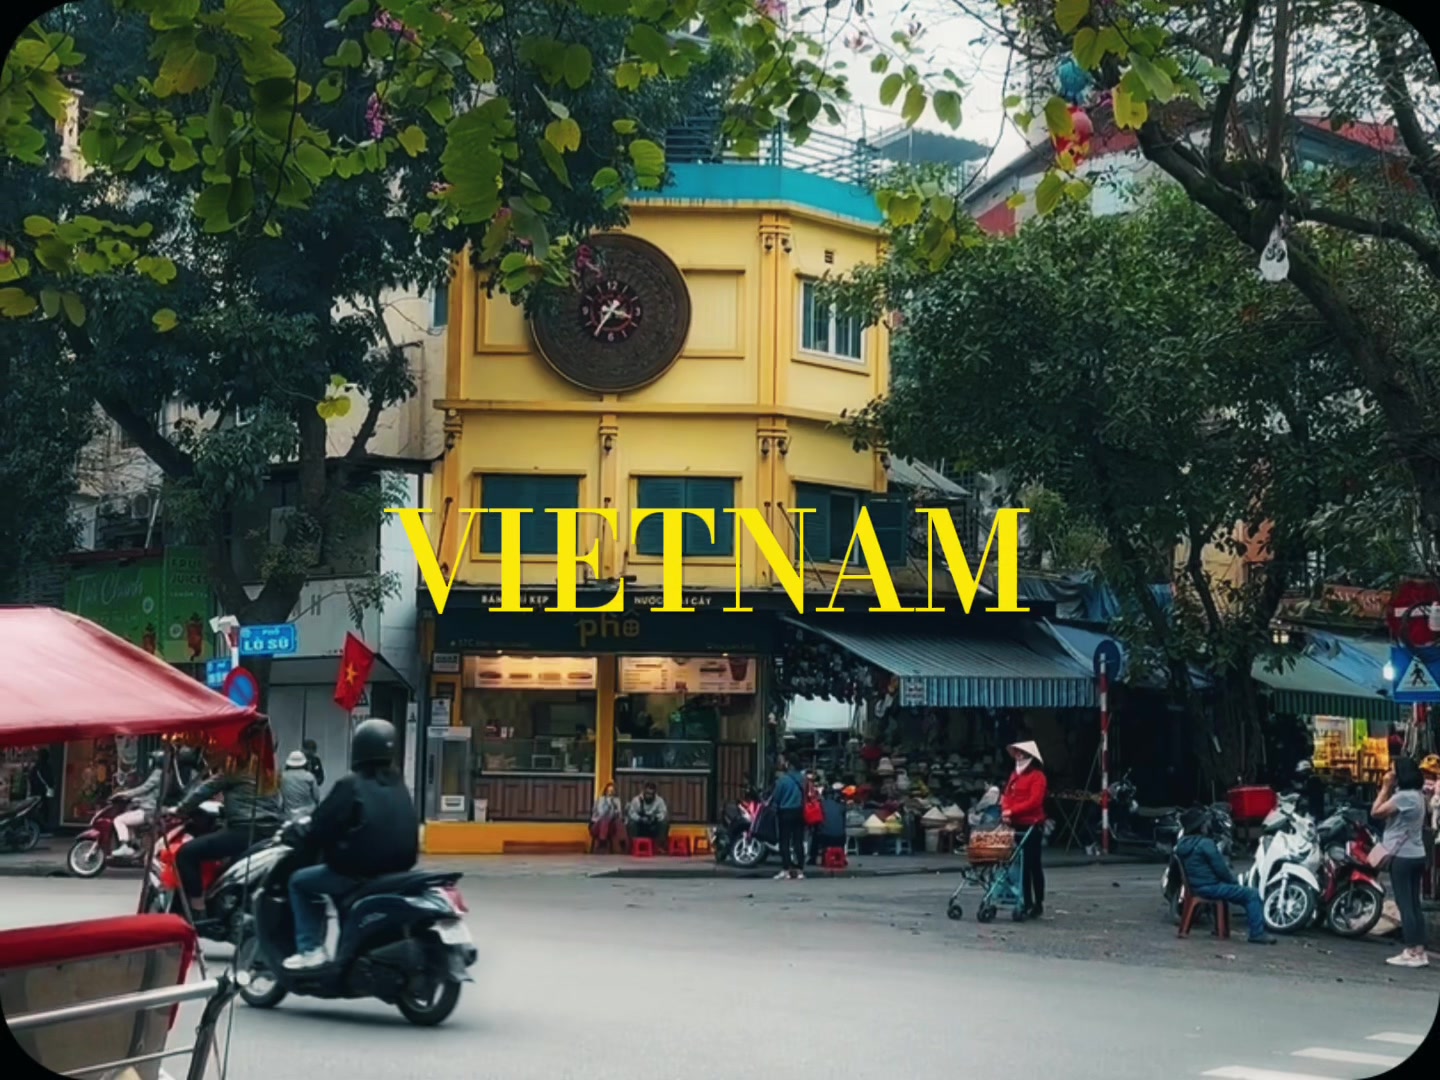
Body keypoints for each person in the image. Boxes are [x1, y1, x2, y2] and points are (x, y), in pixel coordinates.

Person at [283, 718, 419, 971]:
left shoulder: (351, 785)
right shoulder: (399, 784)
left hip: (356, 873)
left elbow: (322, 824)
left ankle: (310, 949)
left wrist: (304, 833)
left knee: (299, 883)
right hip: (396, 873)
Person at [173, 724, 283, 920]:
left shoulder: (238, 767)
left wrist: (178, 810)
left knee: (186, 854)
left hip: (243, 831)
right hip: (270, 831)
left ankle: (198, 911)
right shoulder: (272, 770)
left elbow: (203, 790)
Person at [1174, 807, 1276, 944]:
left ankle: (1220, 928)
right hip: (1211, 888)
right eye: (1204, 823)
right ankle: (1257, 934)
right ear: (1199, 827)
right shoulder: (1206, 844)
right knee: (1252, 894)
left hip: (1196, 887)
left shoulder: (1182, 845)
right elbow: (1221, 870)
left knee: (1239, 893)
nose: (1207, 825)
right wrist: (1234, 883)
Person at [1372, 757, 1429, 968]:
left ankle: (1412, 951)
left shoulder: (1404, 797)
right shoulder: (1418, 796)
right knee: (1414, 904)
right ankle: (1419, 950)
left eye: (1393, 771)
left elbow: (1376, 812)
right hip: (1417, 854)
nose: (1389, 774)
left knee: (1405, 904)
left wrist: (1385, 787)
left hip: (1403, 857)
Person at [1000, 741, 1048, 920]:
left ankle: (1038, 902)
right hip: (1016, 824)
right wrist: (1006, 811)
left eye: (1021, 753)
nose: (1018, 755)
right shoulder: (1015, 775)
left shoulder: (1038, 776)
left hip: (1032, 824)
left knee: (1032, 865)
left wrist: (1012, 811)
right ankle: (1026, 901)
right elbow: (1007, 796)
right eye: (1017, 752)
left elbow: (1035, 801)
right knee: (1021, 866)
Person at [111, 751, 166, 858]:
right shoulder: (164, 773)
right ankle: (135, 846)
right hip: (152, 807)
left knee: (119, 820)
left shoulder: (158, 773)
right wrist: (137, 799)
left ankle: (124, 846)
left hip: (149, 810)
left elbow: (144, 788)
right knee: (129, 821)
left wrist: (124, 794)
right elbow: (151, 793)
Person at [770, 757, 806, 881]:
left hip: (785, 812)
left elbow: (776, 797)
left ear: (790, 766)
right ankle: (800, 869)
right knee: (798, 841)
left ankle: (786, 868)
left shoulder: (782, 780)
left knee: (784, 841)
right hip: (799, 812)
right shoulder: (803, 780)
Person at [626, 782, 669, 850]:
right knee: (631, 823)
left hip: (653, 825)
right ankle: (634, 846)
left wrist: (655, 818)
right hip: (640, 824)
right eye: (647, 793)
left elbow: (663, 813)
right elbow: (631, 813)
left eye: (651, 794)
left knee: (664, 823)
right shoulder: (636, 800)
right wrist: (640, 819)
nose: (649, 796)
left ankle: (659, 846)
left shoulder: (659, 801)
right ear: (644, 792)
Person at [280, 750, 321, 820]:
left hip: (288, 815)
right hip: (306, 815)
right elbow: (316, 797)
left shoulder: (282, 777)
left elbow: (279, 799)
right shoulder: (309, 777)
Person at [590, 780, 624, 853]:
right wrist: (608, 805)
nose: (610, 793)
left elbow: (619, 815)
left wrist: (615, 807)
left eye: (612, 791)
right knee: (605, 819)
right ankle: (602, 843)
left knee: (618, 821)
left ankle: (623, 843)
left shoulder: (617, 800)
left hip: (611, 826)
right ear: (605, 791)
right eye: (609, 791)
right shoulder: (601, 800)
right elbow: (601, 813)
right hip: (597, 825)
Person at [1294, 759, 1326, 824]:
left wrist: (1298, 791)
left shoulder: (1313, 780)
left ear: (1306, 771)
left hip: (1315, 810)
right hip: (1314, 809)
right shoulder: (1310, 779)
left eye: (1302, 772)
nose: (1300, 774)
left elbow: (1311, 793)